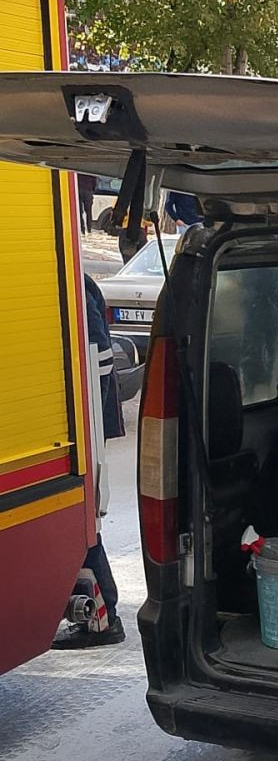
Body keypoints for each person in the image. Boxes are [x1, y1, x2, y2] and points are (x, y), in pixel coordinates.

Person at [51, 276, 126, 649]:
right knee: (81, 520)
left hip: (80, 428)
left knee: (81, 520)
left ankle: (103, 617)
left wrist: (86, 431)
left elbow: (97, 358)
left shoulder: (71, 281)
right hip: (80, 425)